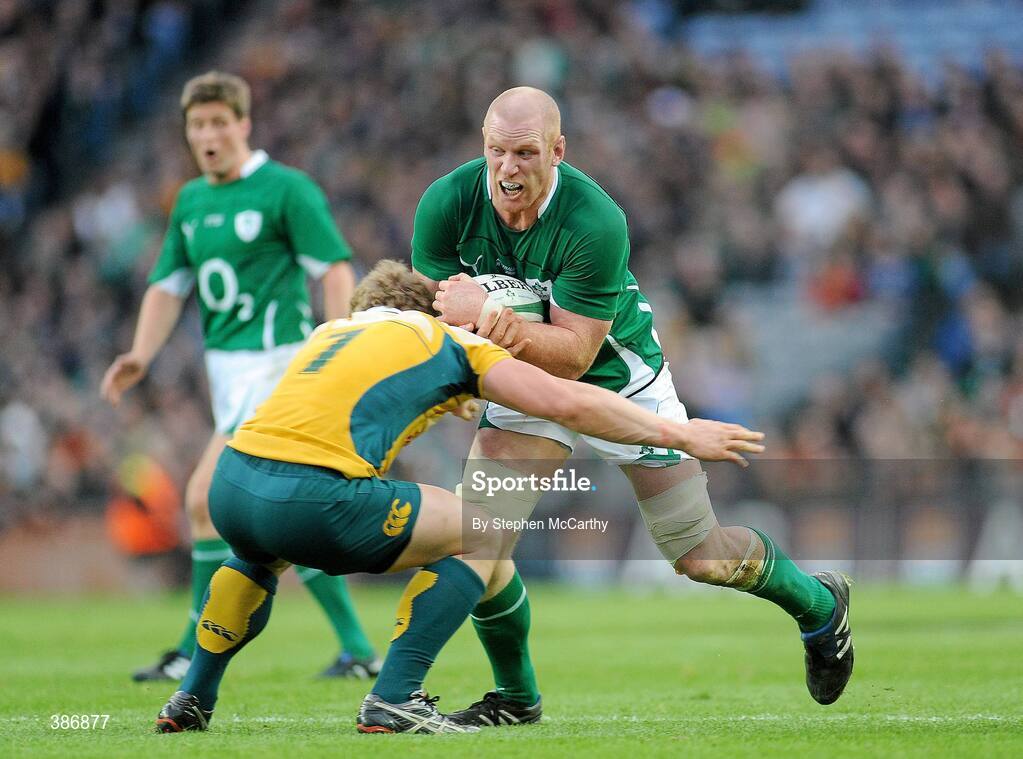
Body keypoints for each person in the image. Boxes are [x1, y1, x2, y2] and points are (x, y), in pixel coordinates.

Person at [153, 260, 764, 734]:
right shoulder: (446, 340)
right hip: (313, 494)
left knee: (261, 556)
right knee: (484, 530)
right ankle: (395, 697)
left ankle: (192, 698)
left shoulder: (331, 332)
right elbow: (565, 401)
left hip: (236, 485)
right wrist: (680, 431)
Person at [412, 86, 855, 726]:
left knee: (699, 555)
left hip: (618, 376)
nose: (508, 169)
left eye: (526, 153)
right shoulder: (447, 202)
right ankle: (515, 698)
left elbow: (573, 356)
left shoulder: (595, 219)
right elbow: (431, 311)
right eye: (496, 152)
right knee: (479, 544)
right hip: (517, 376)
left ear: (557, 151)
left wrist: (484, 316)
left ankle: (817, 605)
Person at [101, 71, 380, 681]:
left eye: (218, 123)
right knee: (262, 519)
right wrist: (141, 354)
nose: (207, 135)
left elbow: (333, 268)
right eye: (197, 125)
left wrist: (338, 344)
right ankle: (357, 649)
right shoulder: (191, 202)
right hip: (229, 379)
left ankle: (190, 653)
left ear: (243, 125)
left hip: (280, 368)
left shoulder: (286, 190)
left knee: (205, 498)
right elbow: (167, 287)